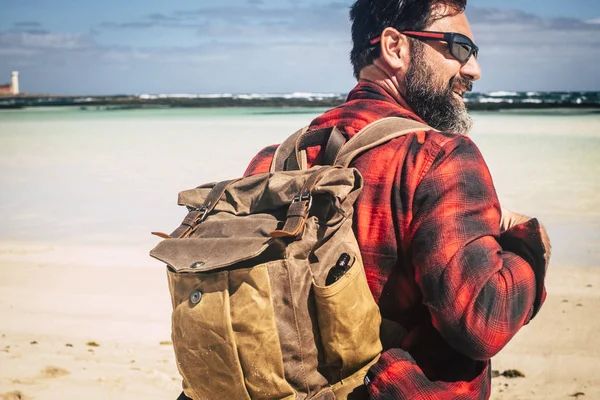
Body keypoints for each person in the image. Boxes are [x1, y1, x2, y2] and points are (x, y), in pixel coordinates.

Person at [244, 0, 551, 398]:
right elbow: (482, 321)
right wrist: (526, 244)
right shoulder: (439, 157)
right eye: (459, 48)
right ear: (394, 47)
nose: (474, 69)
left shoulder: (276, 160)